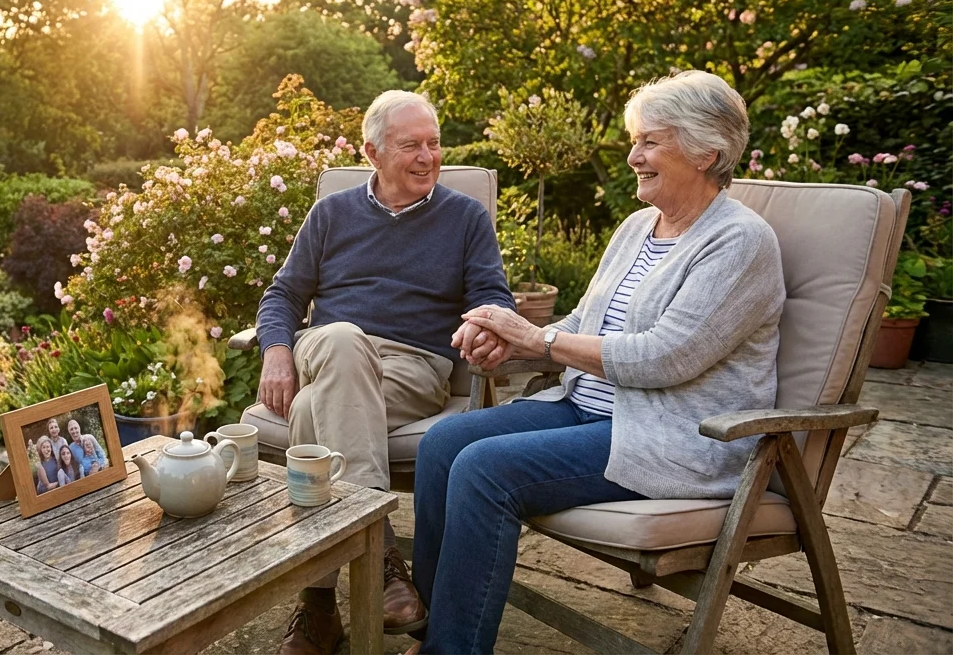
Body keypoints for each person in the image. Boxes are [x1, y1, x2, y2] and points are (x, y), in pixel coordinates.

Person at [409, 71, 786, 654]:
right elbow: (585, 322)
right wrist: (516, 341)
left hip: (675, 440)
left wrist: (537, 338)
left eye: (651, 142)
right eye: (636, 141)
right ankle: (438, 625)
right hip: (589, 411)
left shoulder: (739, 242)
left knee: (486, 469)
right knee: (443, 444)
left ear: (708, 151)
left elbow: (665, 357)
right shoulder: (639, 226)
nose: (634, 156)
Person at [253, 89, 516, 654]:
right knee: (344, 340)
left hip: (412, 367)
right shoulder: (332, 213)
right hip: (329, 349)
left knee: (308, 409)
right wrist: (276, 350)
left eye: (434, 144)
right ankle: (382, 556)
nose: (427, 157)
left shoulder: (465, 217)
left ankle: (318, 606)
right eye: (410, 146)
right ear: (372, 152)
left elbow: (493, 295)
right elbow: (284, 294)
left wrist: (489, 326)